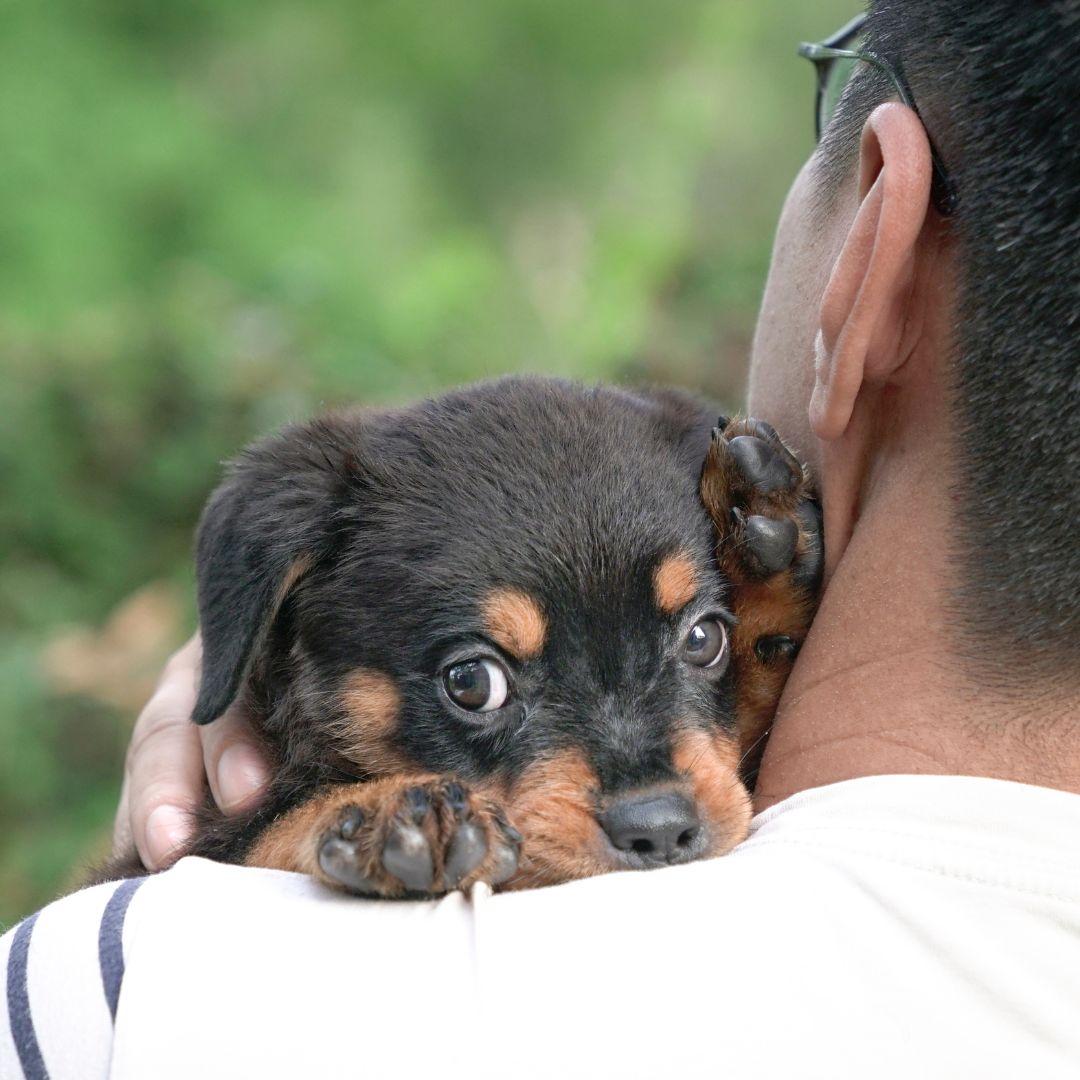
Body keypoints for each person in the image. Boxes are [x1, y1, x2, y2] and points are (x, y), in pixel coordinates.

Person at [4, 3, 1079, 1078]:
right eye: (475, 684)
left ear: (875, 252)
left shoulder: (157, 1007)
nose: (651, 806)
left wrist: (174, 921)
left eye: (701, 641)